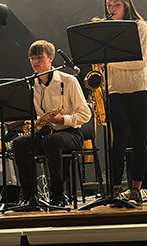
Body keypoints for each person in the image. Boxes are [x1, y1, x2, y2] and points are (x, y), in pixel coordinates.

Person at [13, 40, 91, 207]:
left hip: (70, 133)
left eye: (39, 58)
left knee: (52, 141)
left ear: (50, 58)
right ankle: (29, 197)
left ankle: (57, 195)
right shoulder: (30, 84)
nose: (35, 62)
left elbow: (85, 114)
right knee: (19, 143)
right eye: (31, 59)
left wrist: (63, 119)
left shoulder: (68, 81)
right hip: (45, 133)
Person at [104, 0, 147, 206]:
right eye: (109, 5)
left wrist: (112, 62)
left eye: (116, 4)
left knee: (138, 137)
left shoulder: (139, 26)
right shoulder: (105, 29)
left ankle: (136, 189)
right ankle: (115, 189)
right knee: (118, 138)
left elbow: (141, 61)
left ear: (126, 4)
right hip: (116, 88)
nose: (112, 8)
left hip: (140, 87)